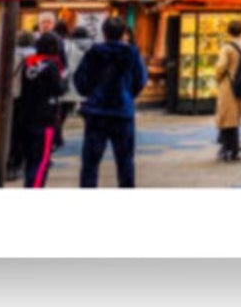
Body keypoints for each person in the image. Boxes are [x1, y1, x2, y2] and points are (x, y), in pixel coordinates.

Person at [75, 15, 147, 189]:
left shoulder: (93, 52)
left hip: (96, 111)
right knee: (125, 161)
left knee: (90, 162)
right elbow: (141, 79)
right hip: (122, 110)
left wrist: (90, 93)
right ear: (123, 33)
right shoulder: (131, 53)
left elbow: (80, 80)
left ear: (103, 32)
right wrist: (129, 95)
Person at [16, 31, 67, 188]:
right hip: (45, 118)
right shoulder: (51, 66)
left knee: (30, 159)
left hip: (25, 116)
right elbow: (59, 89)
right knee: (41, 161)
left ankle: (29, 184)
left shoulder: (27, 63)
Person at [213, 18, 241, 163]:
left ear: (229, 31)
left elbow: (220, 67)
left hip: (228, 85)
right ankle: (231, 149)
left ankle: (228, 149)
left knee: (226, 118)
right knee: (235, 117)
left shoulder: (227, 48)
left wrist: (217, 77)